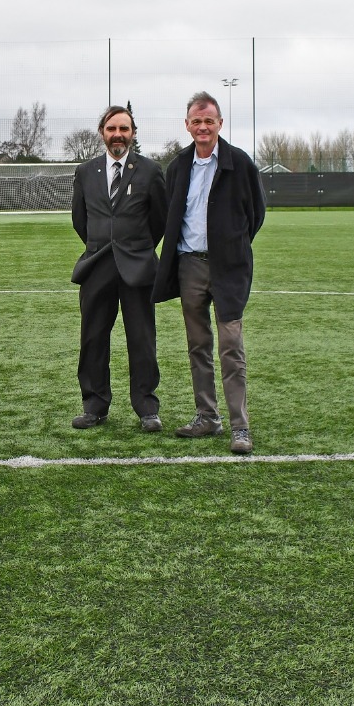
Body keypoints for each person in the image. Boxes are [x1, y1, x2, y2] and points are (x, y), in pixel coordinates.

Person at [153, 91, 267, 455]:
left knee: (231, 346)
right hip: (189, 266)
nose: (203, 127)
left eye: (209, 121)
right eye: (196, 121)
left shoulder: (240, 163)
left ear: (220, 123)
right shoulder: (178, 167)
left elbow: (256, 214)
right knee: (198, 345)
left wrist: (231, 246)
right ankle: (207, 416)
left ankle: (240, 426)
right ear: (187, 125)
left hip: (228, 267)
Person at [69, 105, 168, 432]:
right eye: (112, 128)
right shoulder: (86, 172)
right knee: (93, 338)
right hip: (97, 266)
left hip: (138, 267)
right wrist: (101, 243)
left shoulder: (150, 171)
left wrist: (137, 247)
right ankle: (94, 406)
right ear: (102, 132)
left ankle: (147, 408)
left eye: (124, 129)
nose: (118, 135)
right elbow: (80, 220)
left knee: (142, 339)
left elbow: (160, 220)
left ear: (133, 133)